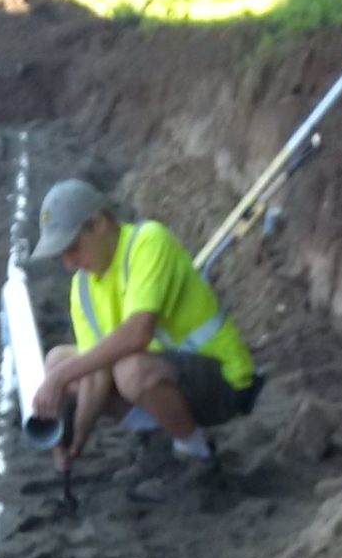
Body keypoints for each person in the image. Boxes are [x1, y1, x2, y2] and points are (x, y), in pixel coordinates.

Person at [29, 179, 261, 491]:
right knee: (60, 360)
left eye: (72, 248)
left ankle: (196, 454)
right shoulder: (83, 289)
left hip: (223, 381)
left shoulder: (148, 242)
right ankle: (160, 442)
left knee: (127, 370)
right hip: (167, 379)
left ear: (98, 224)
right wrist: (76, 443)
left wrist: (56, 380)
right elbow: (94, 376)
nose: (69, 263)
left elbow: (138, 333)